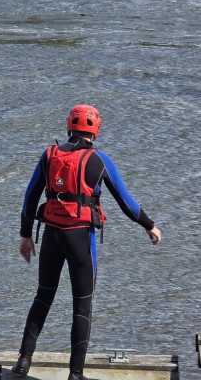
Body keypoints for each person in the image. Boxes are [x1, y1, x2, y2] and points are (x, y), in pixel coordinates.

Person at [12, 105, 161, 380]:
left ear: (69, 125)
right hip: (80, 238)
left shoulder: (49, 155)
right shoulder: (99, 160)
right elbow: (125, 201)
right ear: (95, 130)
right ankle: (76, 374)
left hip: (51, 236)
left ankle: (23, 362)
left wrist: (25, 235)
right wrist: (149, 226)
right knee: (82, 305)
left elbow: (30, 197)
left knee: (43, 296)